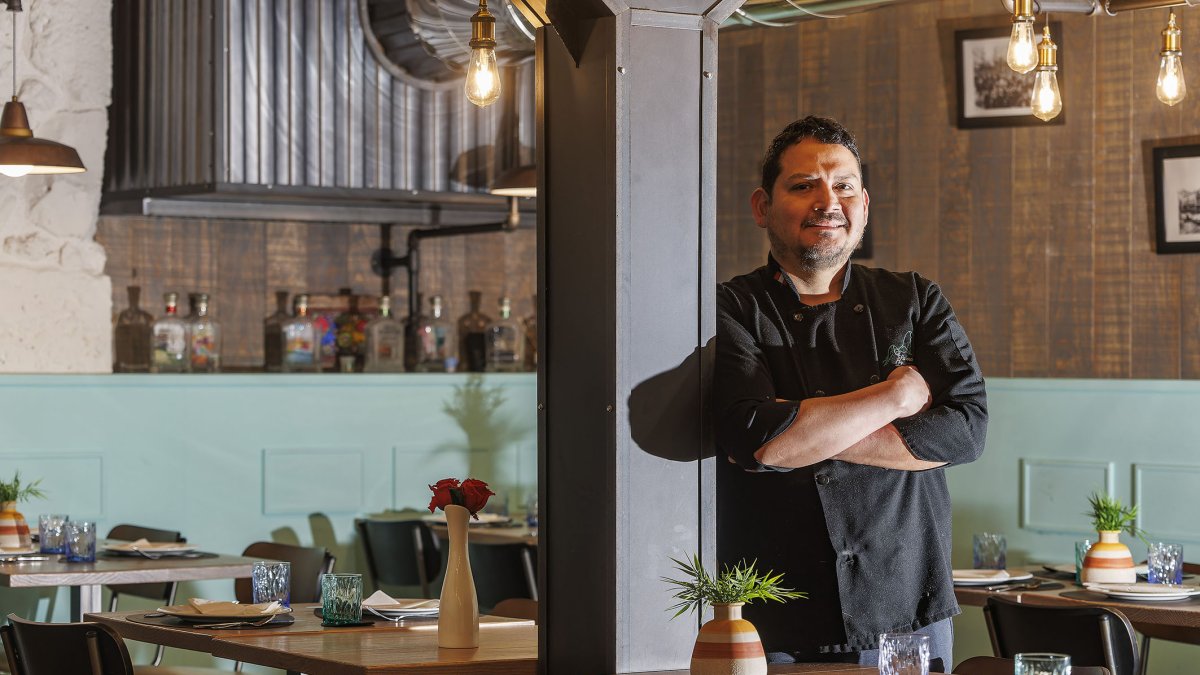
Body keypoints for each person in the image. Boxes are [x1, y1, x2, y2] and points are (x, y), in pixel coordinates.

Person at [714, 116, 987, 669]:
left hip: (907, 605)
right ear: (762, 207)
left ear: (863, 202)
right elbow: (754, 438)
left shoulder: (914, 299)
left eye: (842, 186)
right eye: (802, 185)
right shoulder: (729, 308)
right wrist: (893, 398)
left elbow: (965, 432)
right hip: (772, 610)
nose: (827, 201)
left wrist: (801, 432)